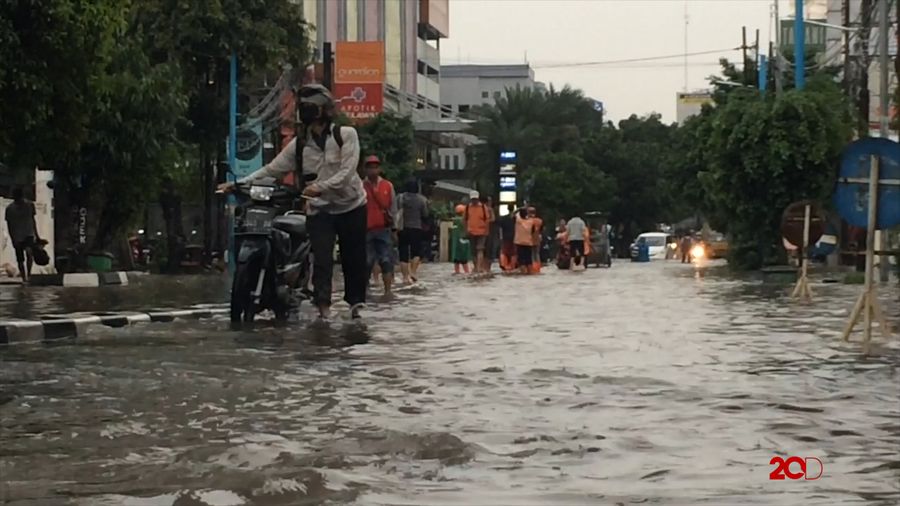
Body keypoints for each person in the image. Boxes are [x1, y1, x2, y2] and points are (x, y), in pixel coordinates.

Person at [218, 84, 367, 321]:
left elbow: (348, 172)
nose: (306, 111)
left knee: (354, 258)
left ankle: (355, 304)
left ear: (324, 109)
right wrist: (237, 184)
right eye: (303, 107)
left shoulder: (346, 135)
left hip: (352, 205)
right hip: (320, 209)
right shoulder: (298, 145)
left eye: (311, 106)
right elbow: (272, 169)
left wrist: (320, 187)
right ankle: (323, 308)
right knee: (321, 258)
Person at [363, 155, 397, 298]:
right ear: (365, 169)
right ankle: (364, 290)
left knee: (386, 260)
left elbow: (393, 208)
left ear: (379, 168)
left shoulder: (387, 186)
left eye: (375, 167)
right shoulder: (359, 186)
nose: (373, 170)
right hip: (365, 229)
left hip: (383, 229)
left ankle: (388, 291)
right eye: (370, 167)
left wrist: (395, 229)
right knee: (366, 261)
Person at [395, 178, 429, 284]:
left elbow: (394, 211)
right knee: (416, 252)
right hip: (416, 228)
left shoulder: (400, 197)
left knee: (403, 252)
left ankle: (405, 277)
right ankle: (413, 272)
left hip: (402, 228)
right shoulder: (422, 200)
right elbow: (425, 214)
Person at [4, 187, 41, 283]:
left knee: (29, 253)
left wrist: (36, 235)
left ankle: (28, 274)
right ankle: (24, 277)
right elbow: (9, 224)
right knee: (20, 259)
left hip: (28, 233)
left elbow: (33, 220)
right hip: (17, 236)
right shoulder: (9, 209)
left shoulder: (29, 205)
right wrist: (12, 238)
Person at [464, 191, 490, 274]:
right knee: (473, 251)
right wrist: (466, 230)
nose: (474, 201)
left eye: (475, 199)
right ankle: (475, 267)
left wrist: (486, 231)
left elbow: (487, 220)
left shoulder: (483, 207)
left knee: (480, 249)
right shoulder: (467, 207)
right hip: (471, 232)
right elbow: (464, 219)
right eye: (473, 199)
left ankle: (479, 267)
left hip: (481, 232)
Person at [451, 204, 471, 274]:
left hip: (455, 243)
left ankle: (457, 272)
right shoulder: (464, 220)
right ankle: (467, 272)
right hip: (463, 241)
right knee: (464, 259)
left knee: (456, 260)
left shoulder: (454, 220)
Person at [514, 207, 536, 274]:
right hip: (528, 243)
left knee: (521, 260)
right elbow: (533, 231)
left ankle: (523, 272)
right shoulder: (531, 221)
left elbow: (513, 214)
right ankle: (530, 272)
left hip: (519, 242)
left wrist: (518, 209)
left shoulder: (518, 220)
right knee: (529, 260)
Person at [498, 204, 517, 272]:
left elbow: (500, 228)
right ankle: (512, 266)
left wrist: (500, 237)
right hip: (515, 236)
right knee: (513, 252)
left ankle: (504, 265)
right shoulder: (516, 218)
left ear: (507, 209)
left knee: (504, 251)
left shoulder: (503, 218)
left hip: (505, 236)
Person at [528, 206, 543, 273]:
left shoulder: (527, 221)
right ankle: (538, 268)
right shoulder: (539, 220)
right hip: (537, 239)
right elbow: (541, 230)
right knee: (537, 254)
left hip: (529, 240)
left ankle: (532, 268)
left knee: (531, 254)